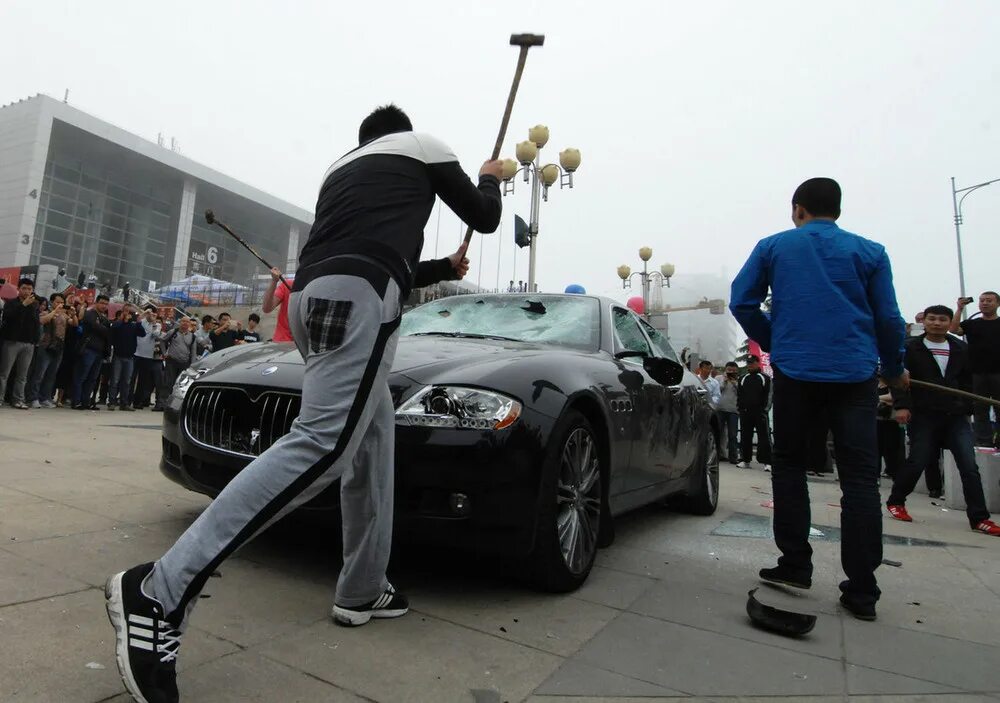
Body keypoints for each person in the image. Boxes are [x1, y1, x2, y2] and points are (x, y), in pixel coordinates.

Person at [106, 103, 502, 703]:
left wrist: (441, 267)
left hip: (315, 297)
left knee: (371, 441)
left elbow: (377, 251)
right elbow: (484, 216)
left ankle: (363, 585)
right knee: (325, 445)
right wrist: (492, 175)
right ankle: (159, 590)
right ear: (403, 132)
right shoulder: (423, 145)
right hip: (359, 298)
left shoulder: (342, 171)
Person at [730, 177, 907, 621]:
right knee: (861, 479)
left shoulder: (774, 247)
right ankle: (863, 590)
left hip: (796, 372)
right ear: (838, 210)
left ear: (798, 209)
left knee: (789, 465)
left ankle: (795, 564)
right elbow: (888, 317)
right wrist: (893, 365)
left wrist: (778, 341)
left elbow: (742, 302)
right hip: (855, 375)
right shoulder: (871, 252)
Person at [886, 305, 999, 536]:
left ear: (950, 323)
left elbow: (968, 381)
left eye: (942, 319)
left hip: (956, 416)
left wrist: (966, 407)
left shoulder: (960, 348)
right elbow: (898, 380)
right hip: (924, 414)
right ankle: (896, 501)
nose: (937, 323)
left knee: (969, 466)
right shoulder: (909, 348)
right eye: (932, 319)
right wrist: (903, 406)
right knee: (918, 460)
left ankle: (980, 518)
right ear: (924, 321)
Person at [951, 291, 1000, 449]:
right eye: (982, 300)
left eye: (989, 300)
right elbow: (954, 329)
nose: (985, 303)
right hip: (977, 372)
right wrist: (959, 308)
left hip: (998, 372)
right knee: (980, 408)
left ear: (997, 303)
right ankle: (983, 440)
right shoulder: (972, 323)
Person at [27, 293, 78, 408]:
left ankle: (45, 397)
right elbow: (42, 320)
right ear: (52, 302)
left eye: (61, 302)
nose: (60, 304)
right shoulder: (47, 312)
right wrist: (55, 311)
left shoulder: (64, 315)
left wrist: (74, 314)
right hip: (46, 346)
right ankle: (33, 397)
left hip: (59, 347)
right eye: (57, 302)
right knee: (39, 373)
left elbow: (74, 324)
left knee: (51, 375)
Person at [0, 278, 41, 409]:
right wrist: (23, 305)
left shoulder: (34, 305)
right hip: (12, 342)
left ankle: (18, 400)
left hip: (28, 344)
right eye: (24, 288)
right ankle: (0, 398)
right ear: (19, 289)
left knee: (22, 375)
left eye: (29, 289)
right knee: (4, 373)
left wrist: (35, 340)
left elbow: (36, 324)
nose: (27, 291)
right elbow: (8, 316)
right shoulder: (11, 303)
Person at [73, 295, 112, 410]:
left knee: (92, 379)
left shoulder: (104, 318)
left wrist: (104, 329)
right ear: (96, 303)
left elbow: (108, 333)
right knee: (81, 376)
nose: (104, 306)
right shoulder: (90, 314)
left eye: (106, 304)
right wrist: (104, 329)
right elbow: (95, 327)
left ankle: (86, 401)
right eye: (102, 303)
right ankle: (76, 401)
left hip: (99, 351)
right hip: (88, 349)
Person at [736, 355, 772, 470]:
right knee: (745, 436)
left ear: (758, 363)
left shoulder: (765, 378)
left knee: (764, 437)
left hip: (760, 412)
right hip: (745, 412)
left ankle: (768, 462)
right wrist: (740, 408)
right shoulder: (742, 378)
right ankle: (745, 460)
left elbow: (769, 395)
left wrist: (765, 410)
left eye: (752, 363)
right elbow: (740, 395)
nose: (750, 365)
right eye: (748, 363)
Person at [108, 305, 146, 411]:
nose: (127, 313)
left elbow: (142, 334)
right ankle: (112, 402)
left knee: (127, 381)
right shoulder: (117, 324)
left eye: (130, 312)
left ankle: (124, 403)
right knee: (115, 380)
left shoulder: (133, 325)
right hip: (118, 356)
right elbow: (113, 330)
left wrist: (138, 322)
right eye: (126, 311)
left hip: (129, 357)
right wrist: (122, 320)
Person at [133, 307, 165, 410]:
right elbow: (135, 323)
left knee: (143, 380)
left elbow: (156, 335)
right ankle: (127, 399)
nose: (150, 315)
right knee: (132, 378)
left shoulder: (157, 325)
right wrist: (144, 314)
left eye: (152, 313)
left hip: (147, 356)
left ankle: (138, 401)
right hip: (136, 353)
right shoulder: (141, 321)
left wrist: (154, 321)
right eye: (149, 313)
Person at [160, 317, 199, 394]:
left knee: (180, 385)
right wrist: (164, 353)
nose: (185, 323)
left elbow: (194, 352)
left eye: (187, 322)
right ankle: (162, 403)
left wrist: (192, 365)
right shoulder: (173, 332)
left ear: (189, 324)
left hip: (184, 363)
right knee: (168, 382)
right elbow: (162, 341)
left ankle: (174, 404)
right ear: (180, 322)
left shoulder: (193, 336)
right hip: (171, 361)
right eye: (183, 321)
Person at [875, 376, 904, 480]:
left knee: (892, 451)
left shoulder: (893, 384)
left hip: (891, 421)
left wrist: (877, 398)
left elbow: (893, 398)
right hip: (877, 420)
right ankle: (876, 476)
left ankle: (895, 474)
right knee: (876, 450)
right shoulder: (875, 385)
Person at [717, 361, 741, 463]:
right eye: (729, 370)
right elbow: (717, 391)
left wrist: (735, 383)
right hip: (720, 409)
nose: (731, 372)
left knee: (732, 435)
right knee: (718, 433)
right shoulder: (718, 378)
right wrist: (725, 381)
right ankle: (717, 455)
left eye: (734, 371)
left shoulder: (739, 380)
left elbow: (742, 393)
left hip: (733, 411)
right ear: (725, 370)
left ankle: (733, 457)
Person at [261, 267, 294, 342]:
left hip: (305, 345)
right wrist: (274, 281)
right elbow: (266, 308)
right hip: (282, 341)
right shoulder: (288, 285)